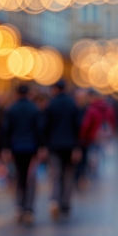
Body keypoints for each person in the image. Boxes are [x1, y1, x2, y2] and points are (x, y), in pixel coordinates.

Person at [41, 80, 82, 219]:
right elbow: (78, 126)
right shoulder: (73, 104)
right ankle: (66, 202)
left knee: (55, 174)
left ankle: (55, 200)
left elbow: (45, 126)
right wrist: (77, 147)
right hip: (70, 145)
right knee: (68, 175)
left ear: (55, 89)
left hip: (54, 145)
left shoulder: (51, 104)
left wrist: (44, 145)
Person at [2, 84, 41, 225]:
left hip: (16, 147)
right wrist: (41, 147)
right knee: (30, 178)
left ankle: (19, 205)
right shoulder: (34, 108)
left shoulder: (11, 108)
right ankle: (29, 208)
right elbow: (39, 129)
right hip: (31, 147)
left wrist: (6, 148)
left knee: (19, 177)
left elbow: (6, 129)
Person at [79, 89, 115, 180]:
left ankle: (92, 172)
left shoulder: (91, 109)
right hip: (105, 136)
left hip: (93, 137)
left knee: (92, 155)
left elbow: (86, 125)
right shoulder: (109, 108)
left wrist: (82, 136)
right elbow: (113, 121)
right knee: (101, 153)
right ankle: (98, 171)